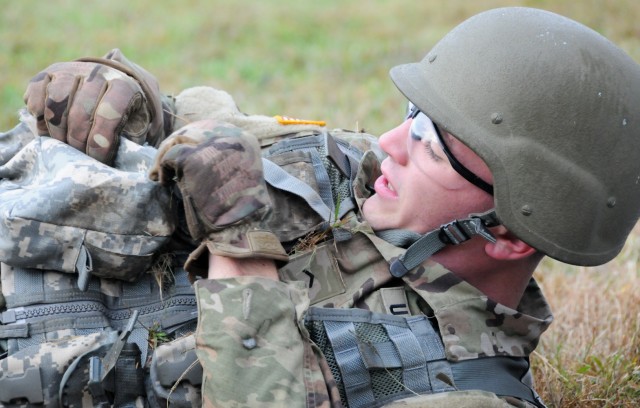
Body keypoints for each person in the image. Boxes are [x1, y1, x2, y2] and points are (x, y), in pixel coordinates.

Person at [2, 6, 639, 408]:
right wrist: (116, 93)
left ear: (506, 237)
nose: (390, 145)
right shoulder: (363, 170)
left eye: (432, 148)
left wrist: (240, 246)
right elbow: (188, 123)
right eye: (412, 117)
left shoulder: (464, 389)